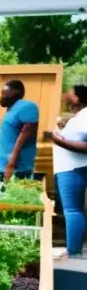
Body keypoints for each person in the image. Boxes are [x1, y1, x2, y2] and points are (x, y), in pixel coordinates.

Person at [51, 85, 87, 257]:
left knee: (73, 211)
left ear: (78, 98)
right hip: (70, 168)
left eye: (69, 93)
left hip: (74, 169)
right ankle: (74, 250)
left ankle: (74, 252)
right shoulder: (79, 117)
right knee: (73, 210)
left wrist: (57, 140)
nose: (65, 95)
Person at [0, 79, 39, 181]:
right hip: (2, 166)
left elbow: (24, 136)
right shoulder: (12, 109)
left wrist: (11, 164)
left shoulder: (28, 107)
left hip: (17, 169)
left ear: (16, 93)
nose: (2, 96)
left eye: (4, 93)